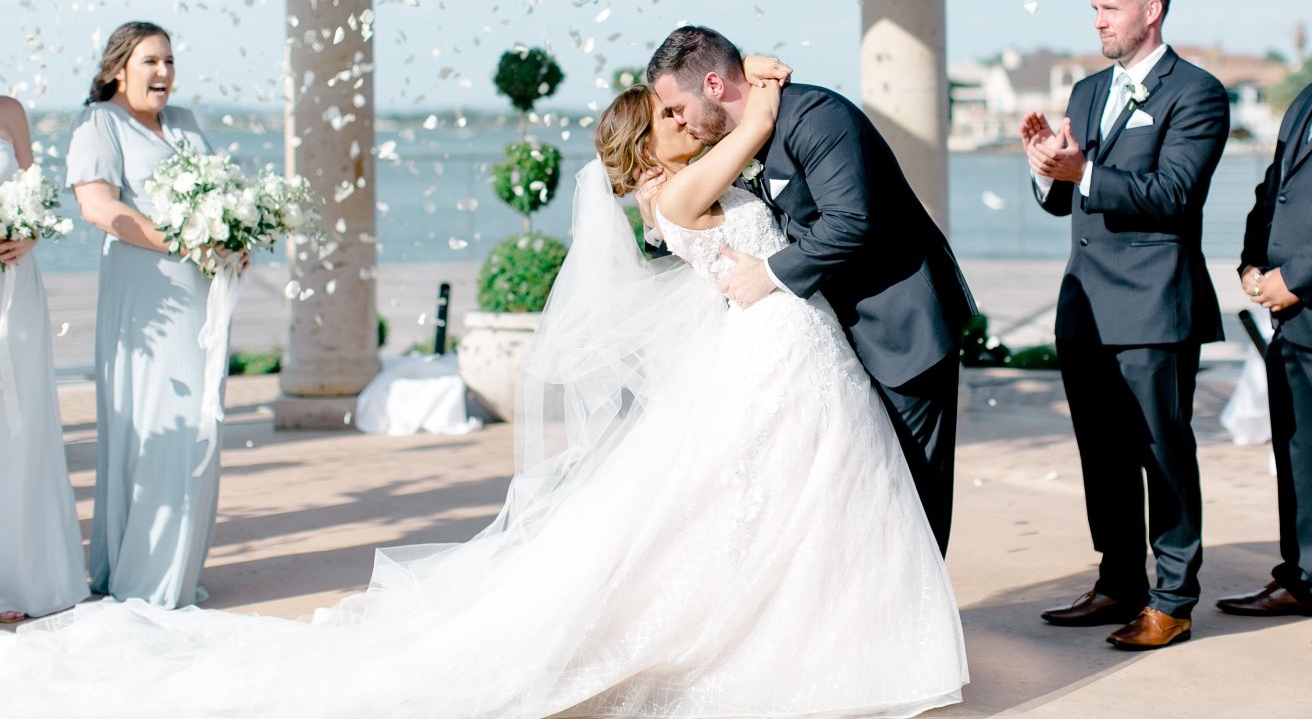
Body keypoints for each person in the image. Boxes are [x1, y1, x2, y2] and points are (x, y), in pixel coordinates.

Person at [0, 73, 968, 719]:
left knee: (800, 501)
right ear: (656, 136)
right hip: (776, 346)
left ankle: (833, 635)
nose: (693, 122)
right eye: (676, 116)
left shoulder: (679, 189)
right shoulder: (675, 196)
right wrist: (759, 98)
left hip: (790, 348)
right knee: (762, 502)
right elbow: (753, 138)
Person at [645, 26, 977, 554]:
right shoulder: (747, 134)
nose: (678, 121)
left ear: (712, 83)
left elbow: (852, 220)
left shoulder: (816, 115)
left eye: (677, 107)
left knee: (913, 494)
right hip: (832, 339)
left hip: (899, 325)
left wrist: (769, 273)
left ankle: (918, 628)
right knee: (865, 493)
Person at [1020, 0, 1229, 650]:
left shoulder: (1195, 93)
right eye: (1093, 8)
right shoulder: (1084, 91)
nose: (1097, 20)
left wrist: (1083, 172)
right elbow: (1066, 200)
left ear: (1151, 11)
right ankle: (1117, 583)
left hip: (1152, 305)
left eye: (1109, 7)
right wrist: (1046, 170)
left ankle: (1171, 599)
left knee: (1160, 450)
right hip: (1084, 305)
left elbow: (1173, 194)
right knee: (1100, 453)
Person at [64, 22, 223, 609]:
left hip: (202, 294)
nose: (163, 73)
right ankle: (146, 578)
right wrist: (188, 242)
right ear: (117, 69)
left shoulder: (182, 123)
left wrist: (235, 235)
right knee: (164, 425)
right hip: (147, 297)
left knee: (202, 421)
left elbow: (216, 198)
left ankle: (169, 570)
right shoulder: (98, 123)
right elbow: (99, 208)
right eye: (150, 61)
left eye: (170, 61)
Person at [1216, 75, 1312, 643]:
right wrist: (1253, 264)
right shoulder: (1308, 95)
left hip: (1305, 292)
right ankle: (1304, 578)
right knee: (1300, 453)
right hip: (1292, 318)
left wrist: (1296, 278)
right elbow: (1272, 187)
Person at [0, 96, 89, 624]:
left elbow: (32, 193)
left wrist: (29, 232)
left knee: (20, 423)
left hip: (15, 286)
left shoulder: (9, 110)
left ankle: (19, 576)